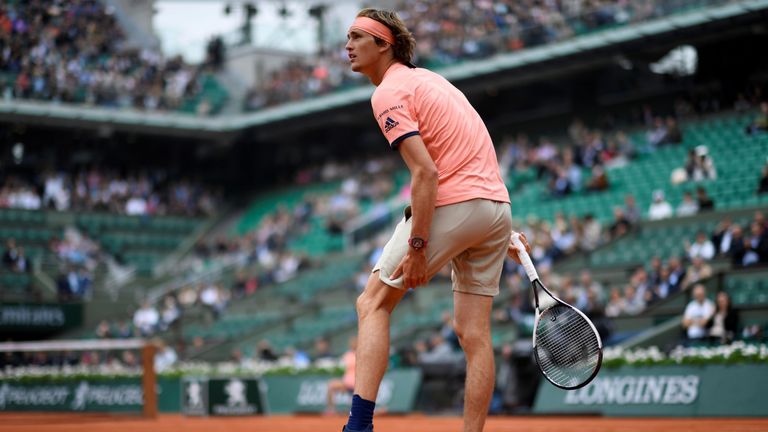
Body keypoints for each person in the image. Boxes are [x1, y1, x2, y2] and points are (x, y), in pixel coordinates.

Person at [342, 9, 529, 432]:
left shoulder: (388, 92)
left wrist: (418, 250)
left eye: (357, 37)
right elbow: (472, 155)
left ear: (384, 44)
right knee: (474, 335)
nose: (347, 46)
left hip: (455, 203)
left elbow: (426, 173)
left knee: (371, 304)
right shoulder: (435, 81)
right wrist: (501, 230)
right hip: (496, 207)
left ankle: (358, 427)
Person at [326, 337, 358, 415]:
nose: (352, 344)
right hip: (346, 383)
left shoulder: (361, 354)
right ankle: (331, 410)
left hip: (357, 384)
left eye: (354, 342)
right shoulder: (347, 355)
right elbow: (340, 364)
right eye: (351, 343)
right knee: (331, 385)